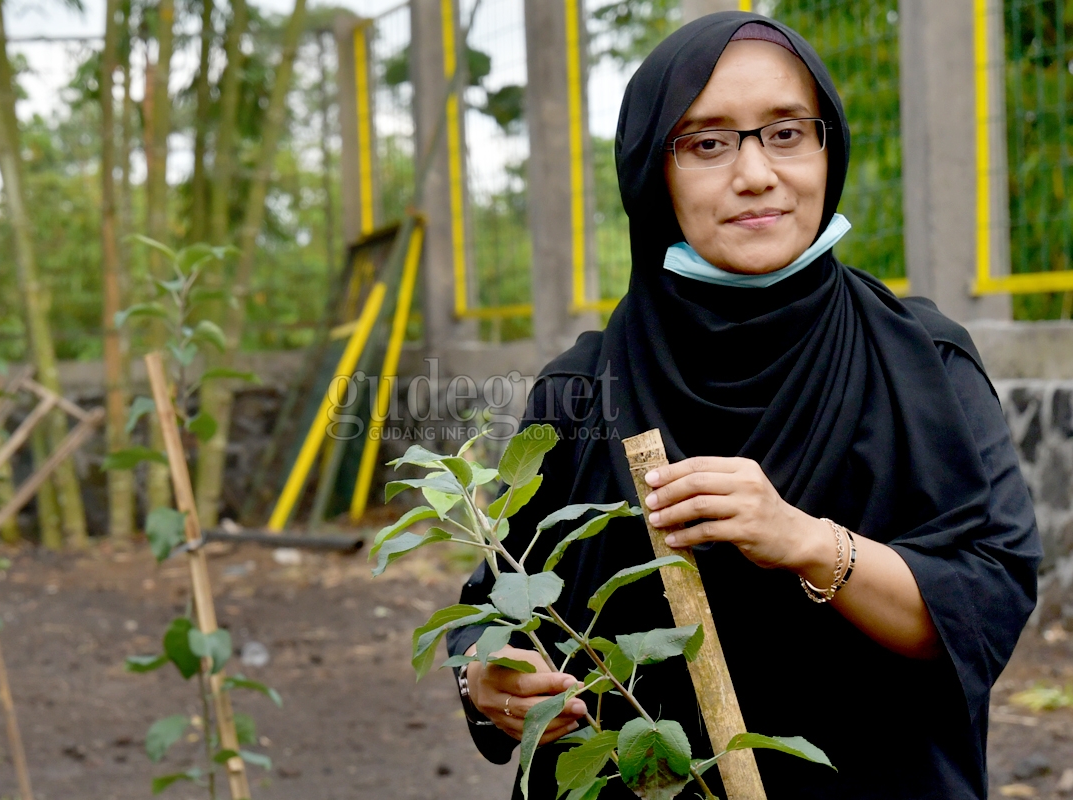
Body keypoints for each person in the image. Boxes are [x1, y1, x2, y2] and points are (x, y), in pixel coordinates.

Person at [446, 11, 1042, 800]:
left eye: (787, 132)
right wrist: (485, 679)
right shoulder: (583, 389)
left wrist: (800, 538)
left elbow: (986, 598)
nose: (757, 173)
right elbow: (500, 599)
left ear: (828, 148)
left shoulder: (922, 363)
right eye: (706, 142)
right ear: (650, 172)